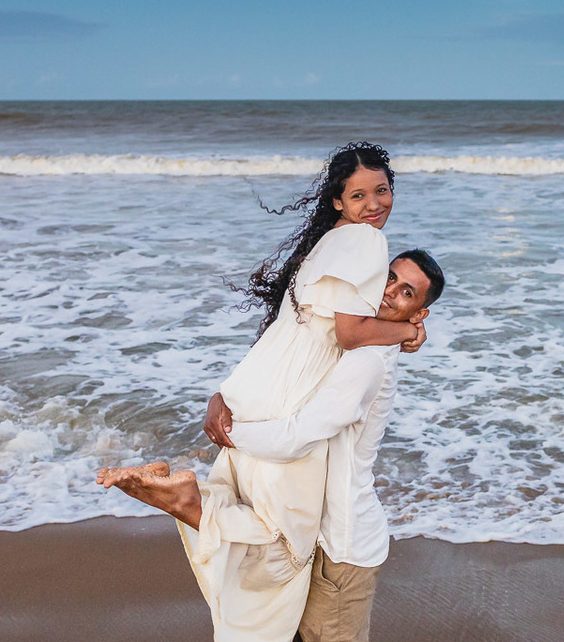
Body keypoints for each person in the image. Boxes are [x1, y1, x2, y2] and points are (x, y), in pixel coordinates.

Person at [97, 142, 424, 642]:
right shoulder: (365, 243)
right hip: (284, 406)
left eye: (382, 190)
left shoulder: (325, 243)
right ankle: (190, 503)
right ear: (338, 202)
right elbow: (349, 333)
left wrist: (225, 395)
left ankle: (194, 502)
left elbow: (283, 333)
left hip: (259, 387)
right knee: (284, 544)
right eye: (359, 195)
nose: (374, 204)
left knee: (259, 520)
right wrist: (407, 333)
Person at [206, 249, 445, 642]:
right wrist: (224, 397)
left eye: (407, 293)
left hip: (342, 546)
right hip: (314, 530)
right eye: (389, 278)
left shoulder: (368, 361)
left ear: (419, 313)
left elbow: (299, 436)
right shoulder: (352, 338)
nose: (389, 293)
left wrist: (230, 434)